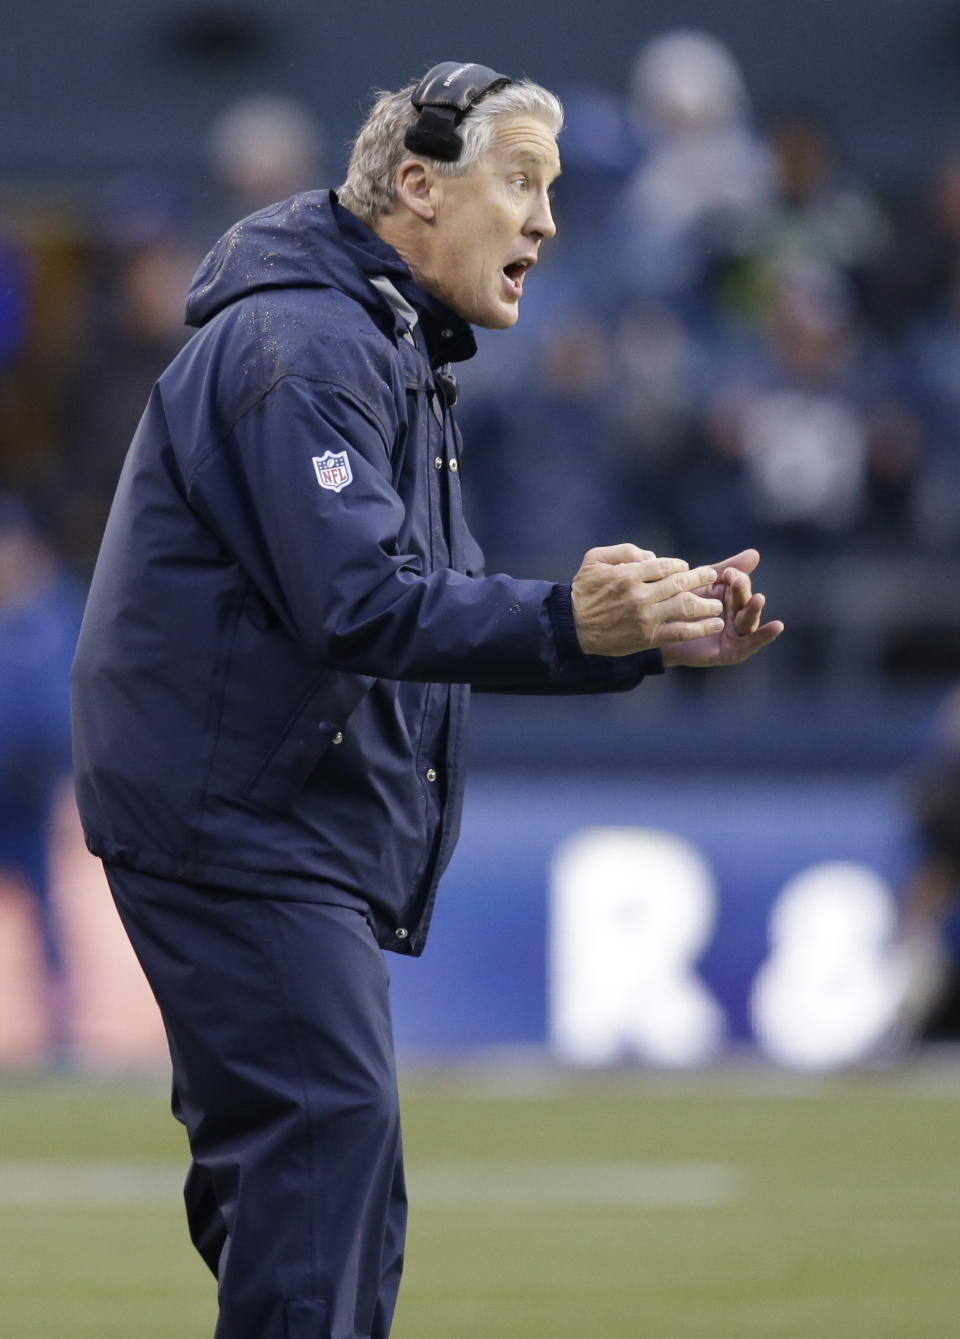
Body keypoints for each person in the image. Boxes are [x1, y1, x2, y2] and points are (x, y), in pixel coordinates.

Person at [70, 62, 782, 1339]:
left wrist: (630, 633)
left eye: (552, 190)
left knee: (330, 1184)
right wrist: (574, 617)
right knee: (321, 1153)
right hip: (241, 823)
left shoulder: (379, 341)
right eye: (521, 182)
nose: (548, 221)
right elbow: (362, 604)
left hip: (269, 820)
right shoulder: (306, 344)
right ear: (415, 184)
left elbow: (398, 606)